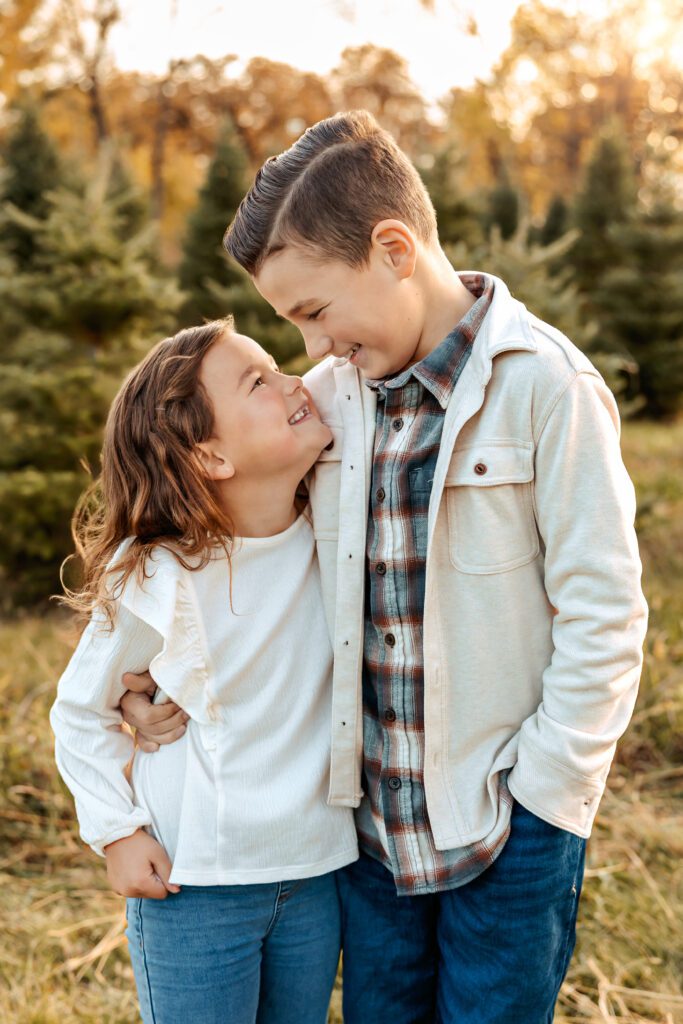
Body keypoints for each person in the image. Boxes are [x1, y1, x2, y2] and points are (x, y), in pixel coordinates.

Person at [122, 110, 648, 1023]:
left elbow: (605, 618)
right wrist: (140, 677)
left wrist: (548, 799)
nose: (312, 346)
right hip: (365, 841)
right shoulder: (325, 406)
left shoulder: (545, 389)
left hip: (507, 830)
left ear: (395, 249)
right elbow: (234, 555)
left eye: (314, 312)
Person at [50, 318, 358, 1024]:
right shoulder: (157, 576)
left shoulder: (333, 535)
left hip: (314, 873)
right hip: (195, 884)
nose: (294, 382)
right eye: (258, 381)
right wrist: (117, 832)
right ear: (211, 455)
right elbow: (79, 710)